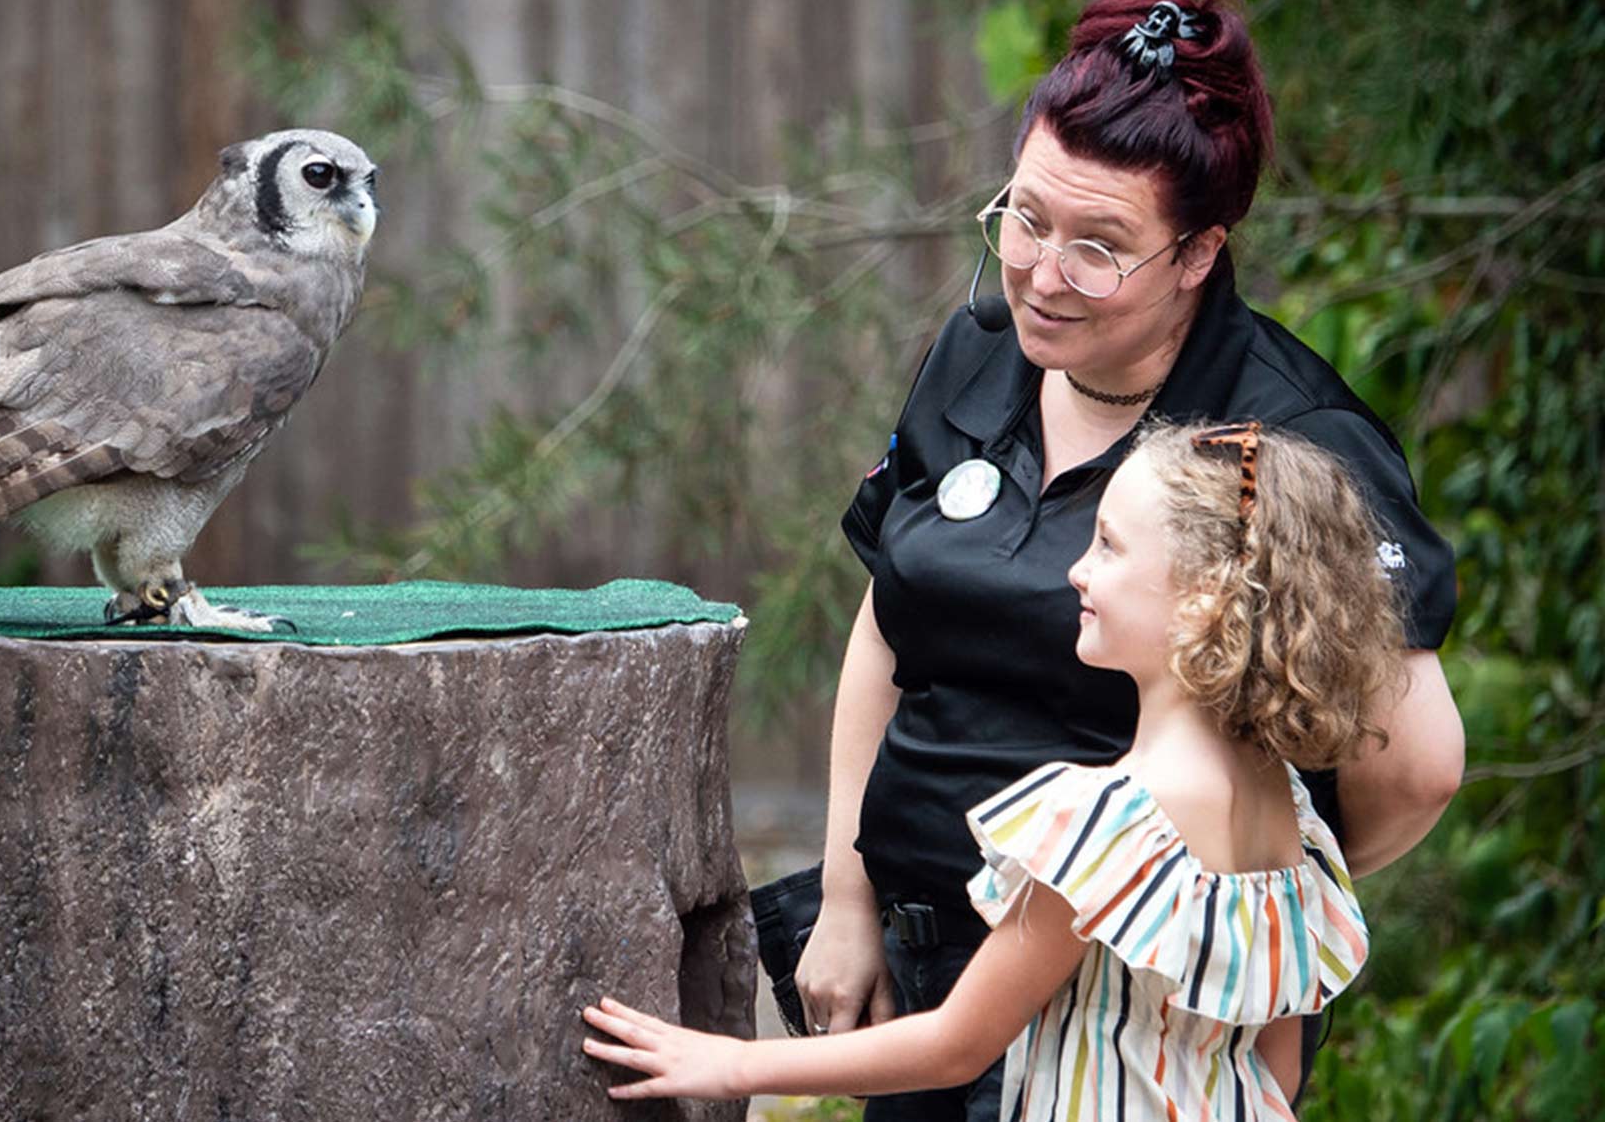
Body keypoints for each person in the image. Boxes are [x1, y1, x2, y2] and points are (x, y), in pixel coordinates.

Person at [779, 0, 1461, 1119]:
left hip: (1116, 1028)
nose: (1041, 271)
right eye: (1026, 217)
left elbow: (1412, 765)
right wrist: (846, 898)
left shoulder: (1289, 441)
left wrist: (1205, 919)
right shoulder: (976, 350)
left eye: (1098, 247)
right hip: (914, 985)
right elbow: (887, 623)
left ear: (1197, 253)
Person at [582, 421, 1397, 1118]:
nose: (1077, 569)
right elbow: (1278, 1071)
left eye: (1108, 546)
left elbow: (957, 1042)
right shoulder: (1288, 808)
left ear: (1203, 601)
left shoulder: (1116, 821)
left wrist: (728, 1061)